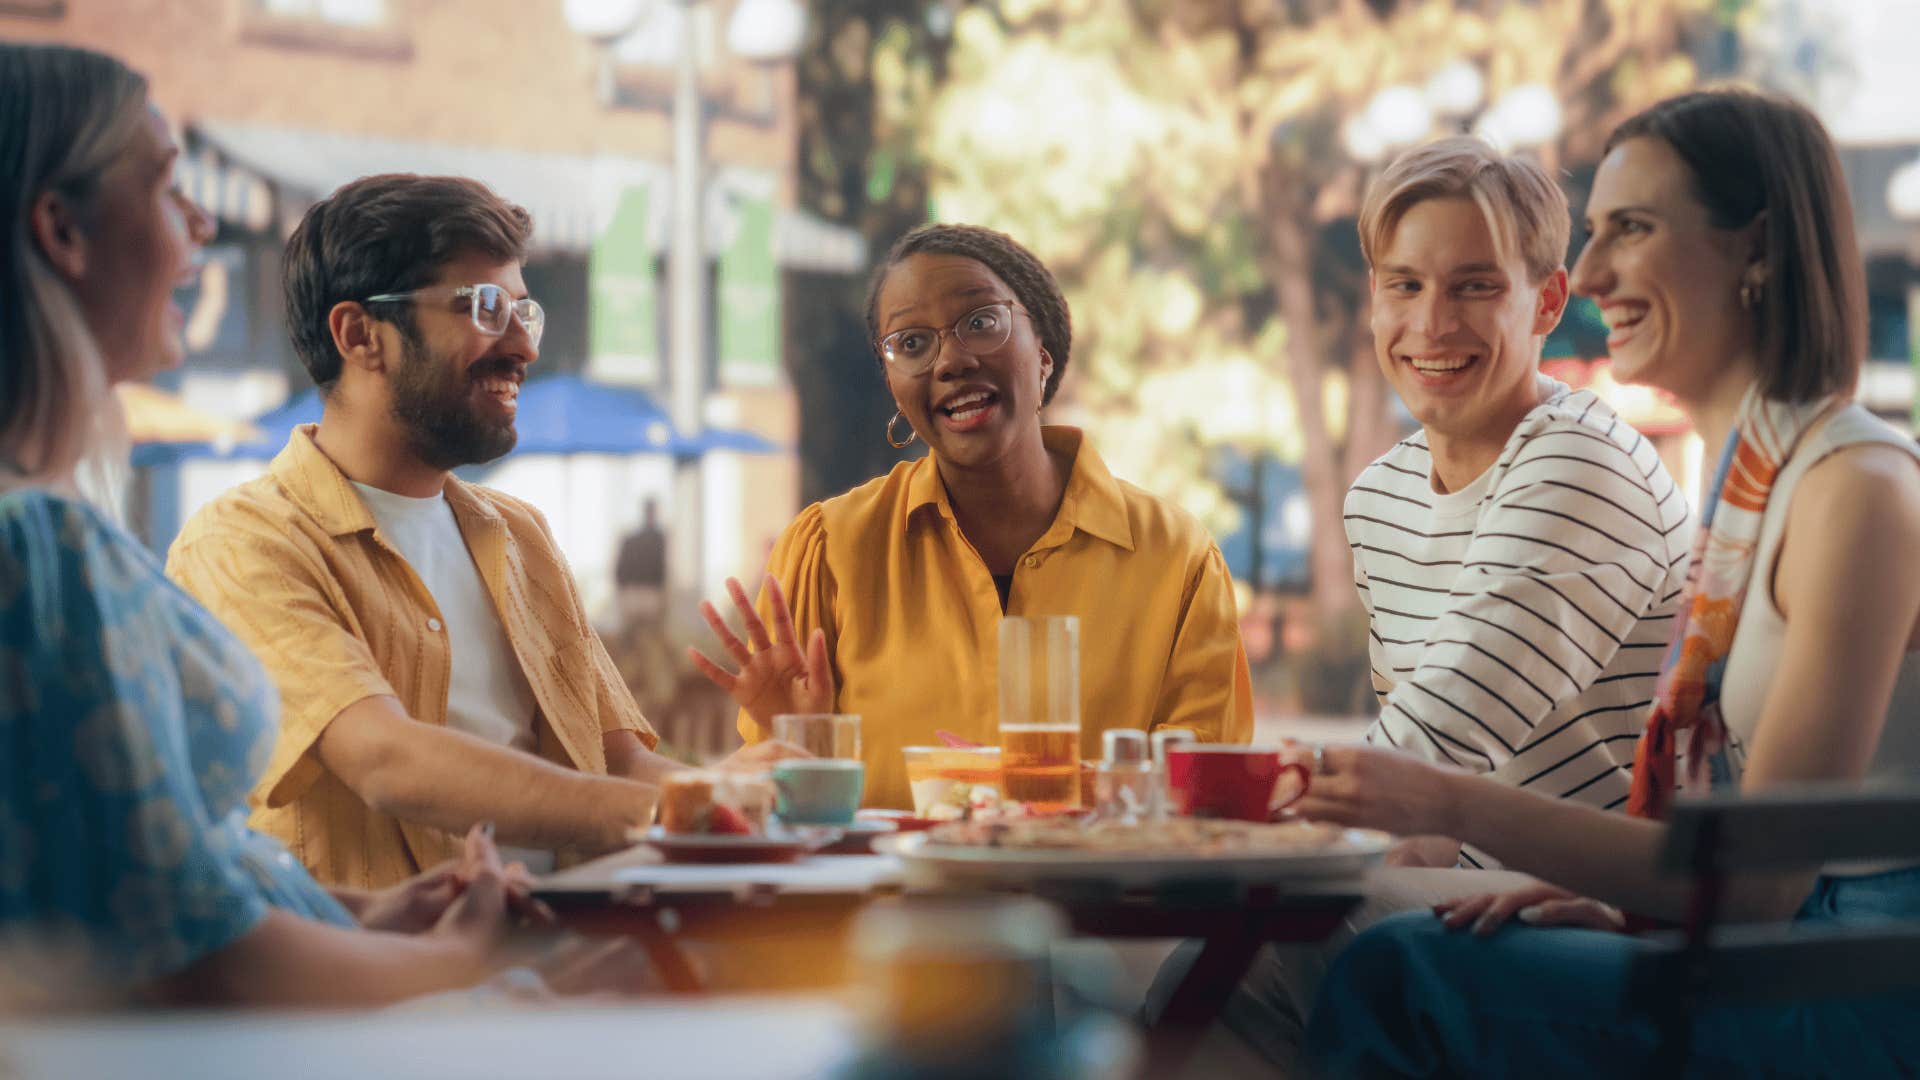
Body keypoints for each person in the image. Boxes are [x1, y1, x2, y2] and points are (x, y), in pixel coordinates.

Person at [1301, 88, 1920, 1076]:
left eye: (1630, 229)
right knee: (1387, 958)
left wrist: (1448, 803)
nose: (1586, 275)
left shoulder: (1858, 488)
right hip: (1771, 950)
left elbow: (1761, 885)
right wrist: (1622, 906)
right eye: (1592, 236)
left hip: (1854, 997)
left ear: (1757, 246)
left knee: (1401, 975)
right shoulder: (1756, 475)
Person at [0, 41, 561, 1008]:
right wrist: (465, 961)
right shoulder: (44, 548)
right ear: (62, 229)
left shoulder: (516, 532)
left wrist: (363, 914)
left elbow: (162, 896)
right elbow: (195, 959)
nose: (204, 220)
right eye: (166, 182)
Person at [1149, 135, 1693, 1073]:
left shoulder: (1581, 462)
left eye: (1475, 286)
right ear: (1373, 301)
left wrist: (1182, 828)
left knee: (1273, 943)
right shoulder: (1381, 496)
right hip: (1475, 885)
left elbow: (1437, 738)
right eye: (1404, 286)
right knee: (1174, 987)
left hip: (1597, 900)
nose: (1432, 325)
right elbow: (1417, 801)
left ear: (1548, 302)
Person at [166, 173, 798, 890]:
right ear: (359, 334)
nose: (521, 347)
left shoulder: (519, 536)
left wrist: (732, 789)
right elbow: (385, 761)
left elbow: (614, 762)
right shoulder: (246, 543)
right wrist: (678, 806)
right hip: (376, 982)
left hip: (562, 950)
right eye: (484, 306)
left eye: (524, 312)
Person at [690, 223, 1255, 810]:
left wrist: (1065, 787)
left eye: (981, 322)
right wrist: (797, 750)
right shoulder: (830, 551)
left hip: (1101, 900)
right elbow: (784, 819)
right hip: (891, 901)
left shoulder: (1176, 558)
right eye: (911, 343)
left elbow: (1205, 799)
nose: (951, 360)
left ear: (1043, 355)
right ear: (893, 386)